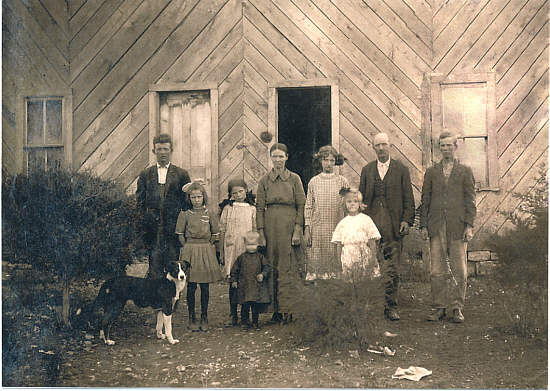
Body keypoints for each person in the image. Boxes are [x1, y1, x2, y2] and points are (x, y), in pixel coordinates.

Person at [420, 131, 476, 323]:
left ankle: (456, 308)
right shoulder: (432, 172)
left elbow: (470, 201)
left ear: (455, 147)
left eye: (449, 145)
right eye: (442, 146)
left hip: (457, 226)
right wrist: (424, 226)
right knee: (437, 269)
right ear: (439, 148)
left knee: (459, 269)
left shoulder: (464, 171)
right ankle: (439, 307)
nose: (445, 149)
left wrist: (469, 225)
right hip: (436, 225)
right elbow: (425, 200)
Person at [359, 132, 415, 321]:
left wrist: (406, 220)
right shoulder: (367, 170)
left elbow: (409, 197)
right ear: (373, 148)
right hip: (372, 225)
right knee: (371, 265)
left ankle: (391, 306)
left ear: (390, 146)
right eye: (377, 145)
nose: (381, 148)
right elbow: (361, 199)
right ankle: (373, 306)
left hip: (393, 225)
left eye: (384, 144)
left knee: (392, 266)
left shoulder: (401, 169)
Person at [256, 143, 306, 324]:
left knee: (289, 265)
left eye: (280, 156)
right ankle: (274, 310)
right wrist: (261, 233)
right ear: (271, 158)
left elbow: (301, 205)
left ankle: (289, 308)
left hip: (288, 225)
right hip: (270, 226)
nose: (277, 160)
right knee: (271, 264)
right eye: (274, 156)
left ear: (287, 157)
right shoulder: (264, 181)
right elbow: (260, 208)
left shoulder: (294, 179)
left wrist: (297, 229)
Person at [136, 133, 190, 279]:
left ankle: (173, 300)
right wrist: (143, 225)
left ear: (171, 150)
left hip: (173, 227)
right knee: (154, 265)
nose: (163, 153)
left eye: (166, 149)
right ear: (154, 151)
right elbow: (139, 202)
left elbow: (186, 204)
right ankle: (156, 299)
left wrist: (183, 228)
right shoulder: (145, 174)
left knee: (173, 263)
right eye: (159, 149)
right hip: (153, 228)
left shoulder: (182, 174)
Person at [175, 182, 223, 332]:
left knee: (204, 286)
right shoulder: (185, 214)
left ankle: (204, 316)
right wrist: (187, 247)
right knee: (191, 286)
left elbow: (215, 233)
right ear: (189, 198)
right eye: (193, 197)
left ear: (204, 197)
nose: (196, 199)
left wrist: (208, 245)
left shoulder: (209, 213)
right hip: (190, 249)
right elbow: (180, 234)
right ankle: (192, 317)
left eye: (199, 196)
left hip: (205, 249)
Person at [304, 145, 349, 280]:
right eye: (325, 160)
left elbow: (347, 206)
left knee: (335, 263)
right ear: (320, 161)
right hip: (318, 228)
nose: (328, 164)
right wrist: (307, 228)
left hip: (336, 226)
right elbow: (309, 206)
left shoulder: (342, 181)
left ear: (336, 162)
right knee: (318, 266)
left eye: (331, 160)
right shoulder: (314, 182)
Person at [219, 178, 257, 327]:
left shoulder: (251, 208)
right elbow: (222, 229)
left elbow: (254, 229)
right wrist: (222, 251)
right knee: (233, 280)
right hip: (231, 248)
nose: (238, 195)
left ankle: (245, 315)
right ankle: (233, 313)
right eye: (234, 193)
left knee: (246, 280)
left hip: (246, 248)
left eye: (241, 191)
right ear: (231, 195)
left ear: (246, 191)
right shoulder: (228, 209)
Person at [331, 188, 381, 281]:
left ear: (360, 204)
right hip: (348, 258)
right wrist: (339, 263)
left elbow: (372, 241)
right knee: (350, 283)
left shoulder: (366, 220)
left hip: (363, 256)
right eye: (349, 201)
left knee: (364, 281)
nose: (352, 204)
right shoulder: (343, 223)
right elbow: (338, 244)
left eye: (355, 201)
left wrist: (373, 259)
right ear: (345, 204)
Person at [230, 231, 271, 330]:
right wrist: (234, 281)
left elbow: (267, 267)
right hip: (244, 286)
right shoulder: (241, 258)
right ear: (245, 245)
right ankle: (244, 322)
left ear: (257, 244)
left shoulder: (260, 257)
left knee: (255, 306)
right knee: (245, 306)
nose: (251, 247)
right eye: (249, 245)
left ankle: (255, 323)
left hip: (256, 286)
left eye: (253, 245)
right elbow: (234, 270)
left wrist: (263, 274)